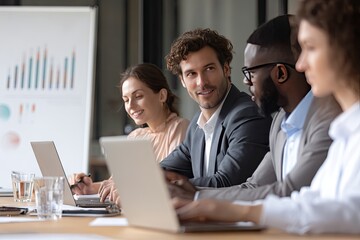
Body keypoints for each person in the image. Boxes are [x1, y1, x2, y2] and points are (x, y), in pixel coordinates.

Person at [173, 0, 360, 234]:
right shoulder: (293, 125)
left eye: (310, 48)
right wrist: (200, 200)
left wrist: (221, 206)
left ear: (343, 50)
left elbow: (336, 208)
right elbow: (309, 201)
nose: (300, 64)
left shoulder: (331, 122)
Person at [160, 28, 272, 187]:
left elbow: (226, 183)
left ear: (226, 69)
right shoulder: (197, 126)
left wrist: (161, 187)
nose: (202, 82)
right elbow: (162, 170)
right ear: (183, 81)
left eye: (209, 69)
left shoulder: (248, 115)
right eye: (191, 74)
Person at [71, 63, 190, 198]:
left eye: (138, 96)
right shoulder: (136, 136)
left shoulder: (180, 127)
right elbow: (116, 184)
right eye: (126, 100)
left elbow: (171, 182)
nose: (131, 106)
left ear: (162, 95)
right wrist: (89, 187)